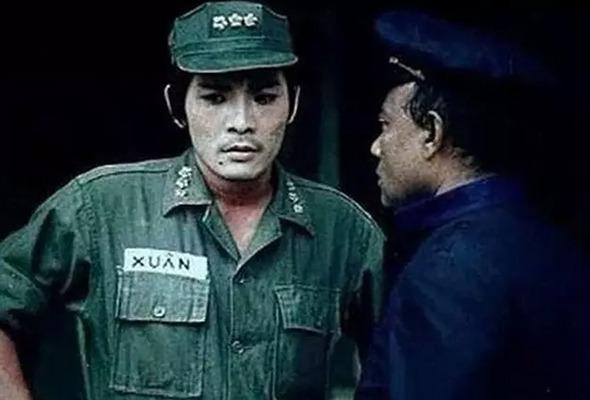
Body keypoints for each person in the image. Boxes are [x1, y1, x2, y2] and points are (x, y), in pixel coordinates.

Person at [0, 2, 384, 399]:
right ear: (176, 105)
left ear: (294, 104)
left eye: (265, 97)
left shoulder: (344, 230)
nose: (242, 122)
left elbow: (406, 355)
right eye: (215, 98)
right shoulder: (101, 207)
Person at [356, 9, 590, 400]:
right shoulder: (555, 246)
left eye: (386, 126)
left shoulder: (445, 270)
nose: (375, 147)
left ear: (432, 134)